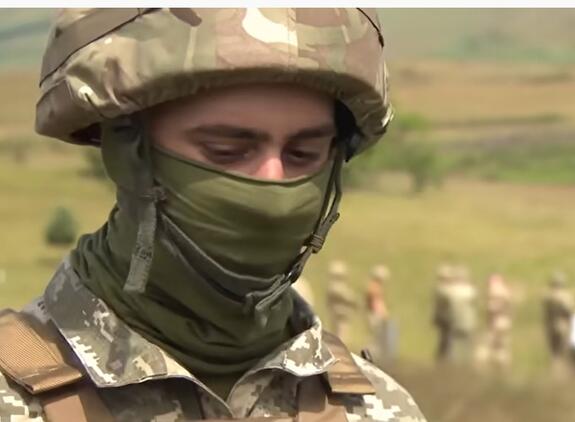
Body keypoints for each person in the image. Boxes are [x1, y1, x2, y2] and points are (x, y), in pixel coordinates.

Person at [0, 8, 426, 421]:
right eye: (226, 151)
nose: (273, 187)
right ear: (128, 154)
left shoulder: (378, 409)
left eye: (303, 153)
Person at [433, 264, 477, 364]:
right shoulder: (468, 291)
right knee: (460, 345)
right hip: (462, 323)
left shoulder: (450, 290)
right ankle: (458, 363)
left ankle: (448, 362)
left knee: (452, 345)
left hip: (455, 322)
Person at [476, 273, 512, 369]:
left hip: (496, 323)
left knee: (486, 344)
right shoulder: (505, 291)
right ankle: (502, 365)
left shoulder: (495, 292)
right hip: (504, 322)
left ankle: (481, 365)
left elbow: (492, 309)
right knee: (501, 345)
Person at [542, 271, 575, 365]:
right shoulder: (565, 296)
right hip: (563, 325)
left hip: (550, 325)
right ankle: (562, 370)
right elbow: (569, 311)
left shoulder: (547, 296)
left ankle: (555, 368)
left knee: (554, 352)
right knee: (564, 350)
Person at [366, 264, 394, 362]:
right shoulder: (374, 288)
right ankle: (371, 357)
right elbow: (376, 304)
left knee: (376, 338)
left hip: (373, 315)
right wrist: (383, 314)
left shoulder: (373, 287)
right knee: (376, 339)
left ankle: (372, 356)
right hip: (375, 316)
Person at [325, 260, 358, 343]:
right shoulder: (335, 286)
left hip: (341, 314)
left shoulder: (336, 285)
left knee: (341, 333)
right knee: (341, 335)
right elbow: (349, 297)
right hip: (339, 314)